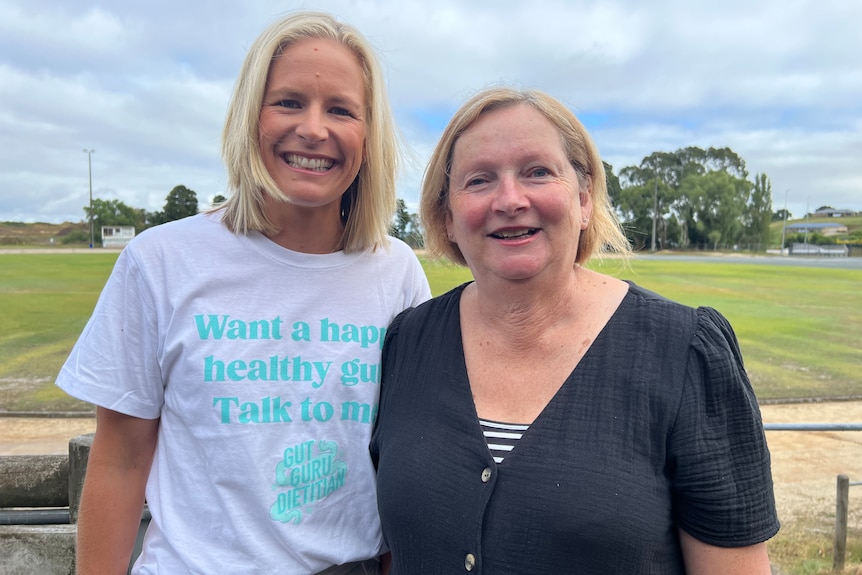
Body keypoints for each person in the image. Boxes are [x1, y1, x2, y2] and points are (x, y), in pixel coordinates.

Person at [57, 11, 429, 575]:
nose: (313, 128)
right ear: (249, 116)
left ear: (368, 134)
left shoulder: (396, 272)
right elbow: (122, 458)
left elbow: (400, 460)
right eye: (288, 101)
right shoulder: (160, 261)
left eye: (341, 110)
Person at [370, 87, 779, 574]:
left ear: (584, 199)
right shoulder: (406, 342)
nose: (510, 199)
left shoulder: (685, 353)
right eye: (479, 180)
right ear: (448, 218)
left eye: (537, 172)